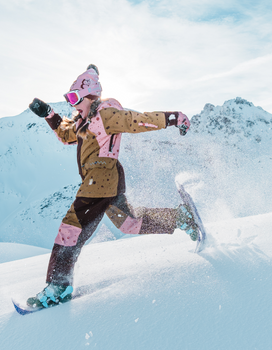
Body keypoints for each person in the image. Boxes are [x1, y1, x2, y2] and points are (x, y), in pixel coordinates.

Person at [26, 64, 196, 308]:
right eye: (68, 99)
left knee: (69, 230)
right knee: (129, 223)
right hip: (106, 181)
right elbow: (65, 135)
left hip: (99, 182)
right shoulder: (84, 122)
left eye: (74, 98)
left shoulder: (105, 115)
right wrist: (49, 114)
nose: (72, 104)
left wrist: (173, 118)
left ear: (91, 96)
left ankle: (58, 287)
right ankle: (180, 218)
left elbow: (138, 121)